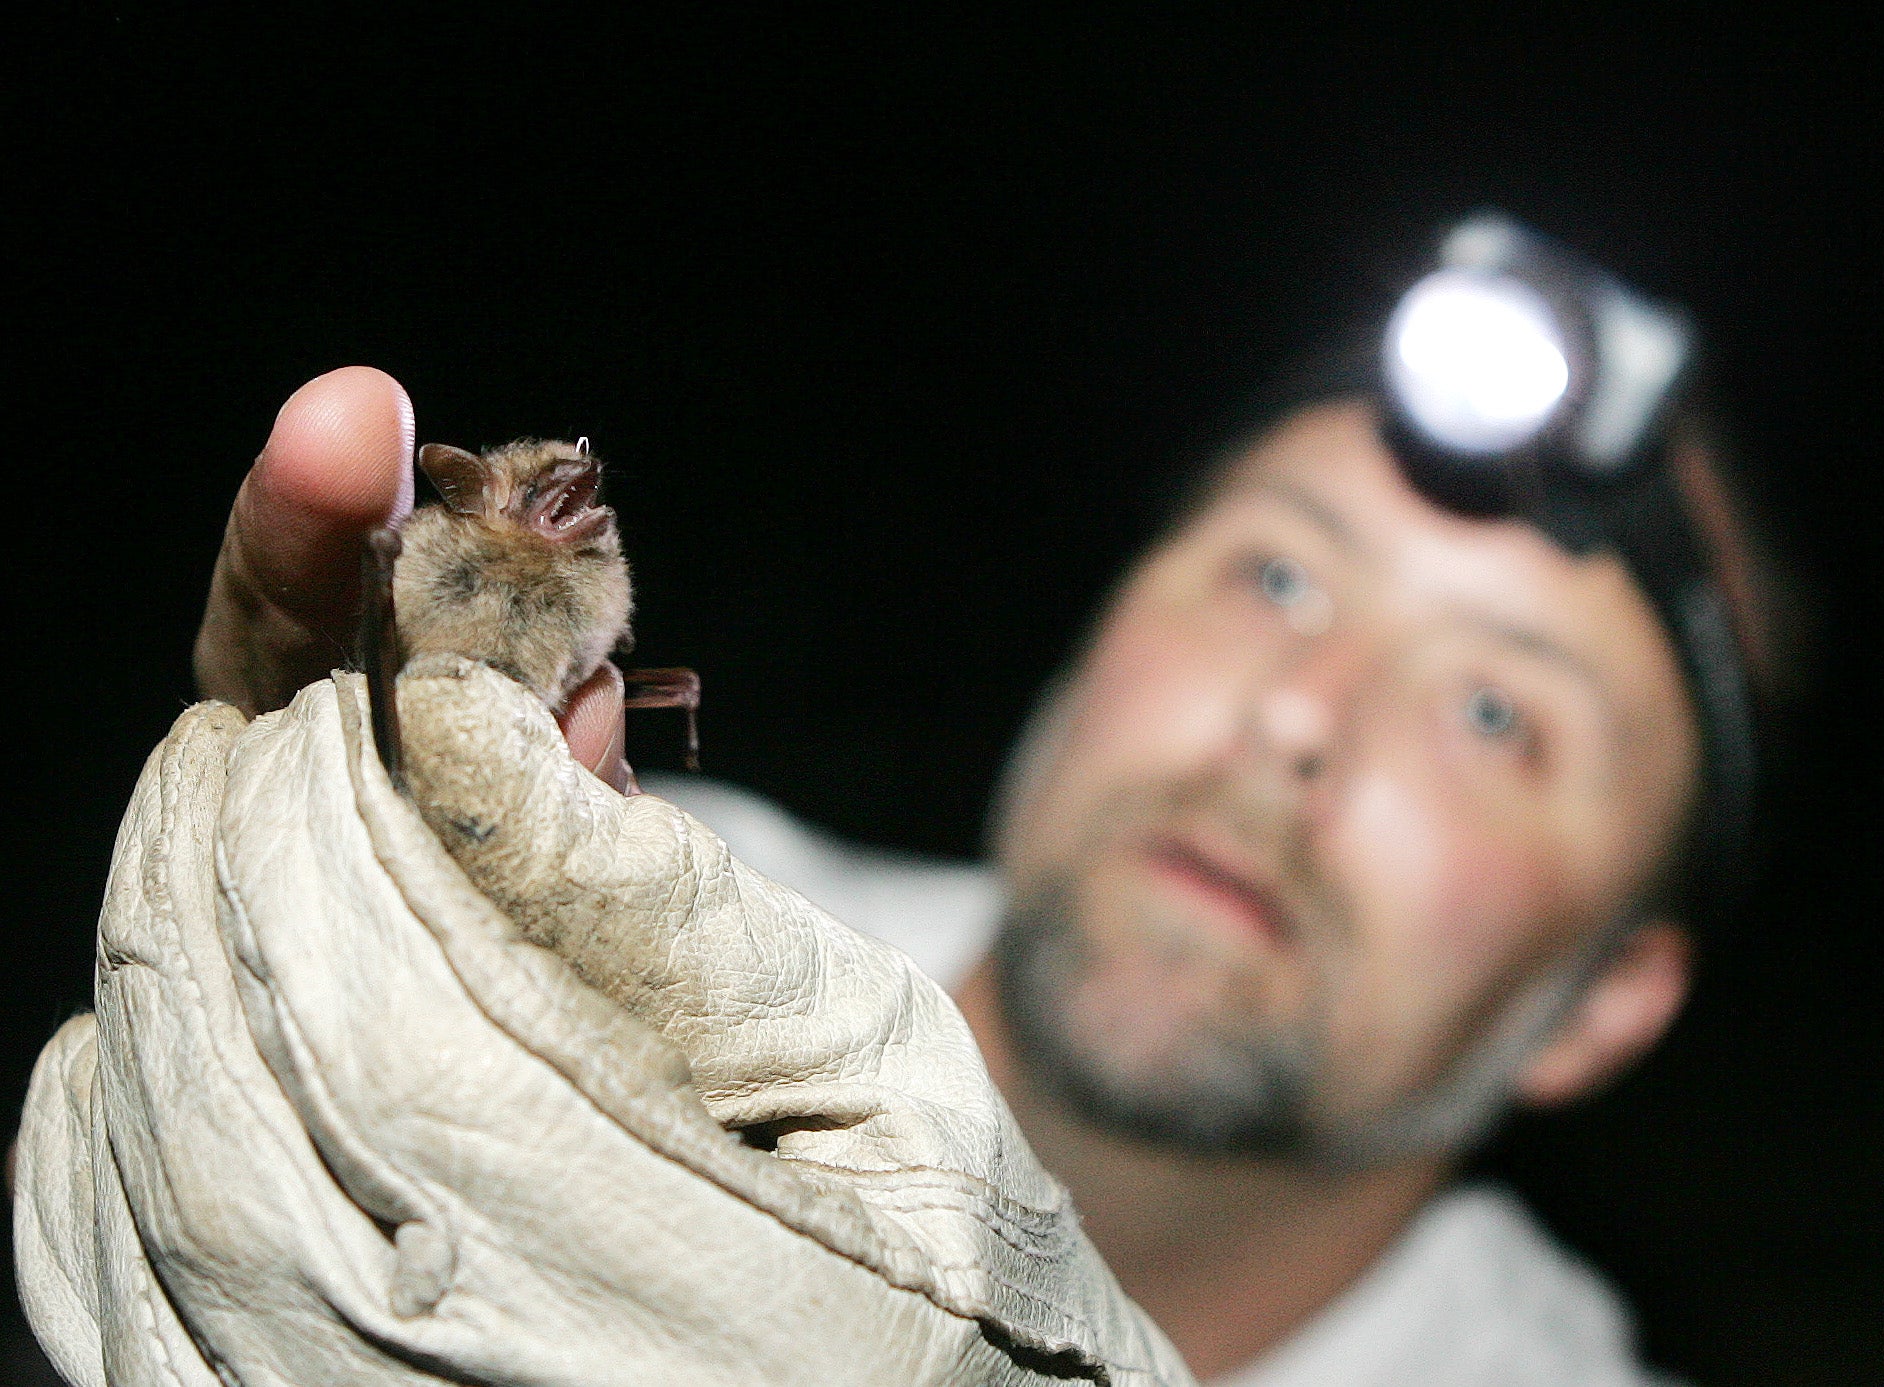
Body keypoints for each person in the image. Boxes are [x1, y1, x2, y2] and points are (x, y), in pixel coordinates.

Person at [190, 222, 1783, 1384]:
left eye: (1495, 712)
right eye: (1277, 575)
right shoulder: (615, 871)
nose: (1301, 714)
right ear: (1090, 648)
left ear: (1605, 1005)